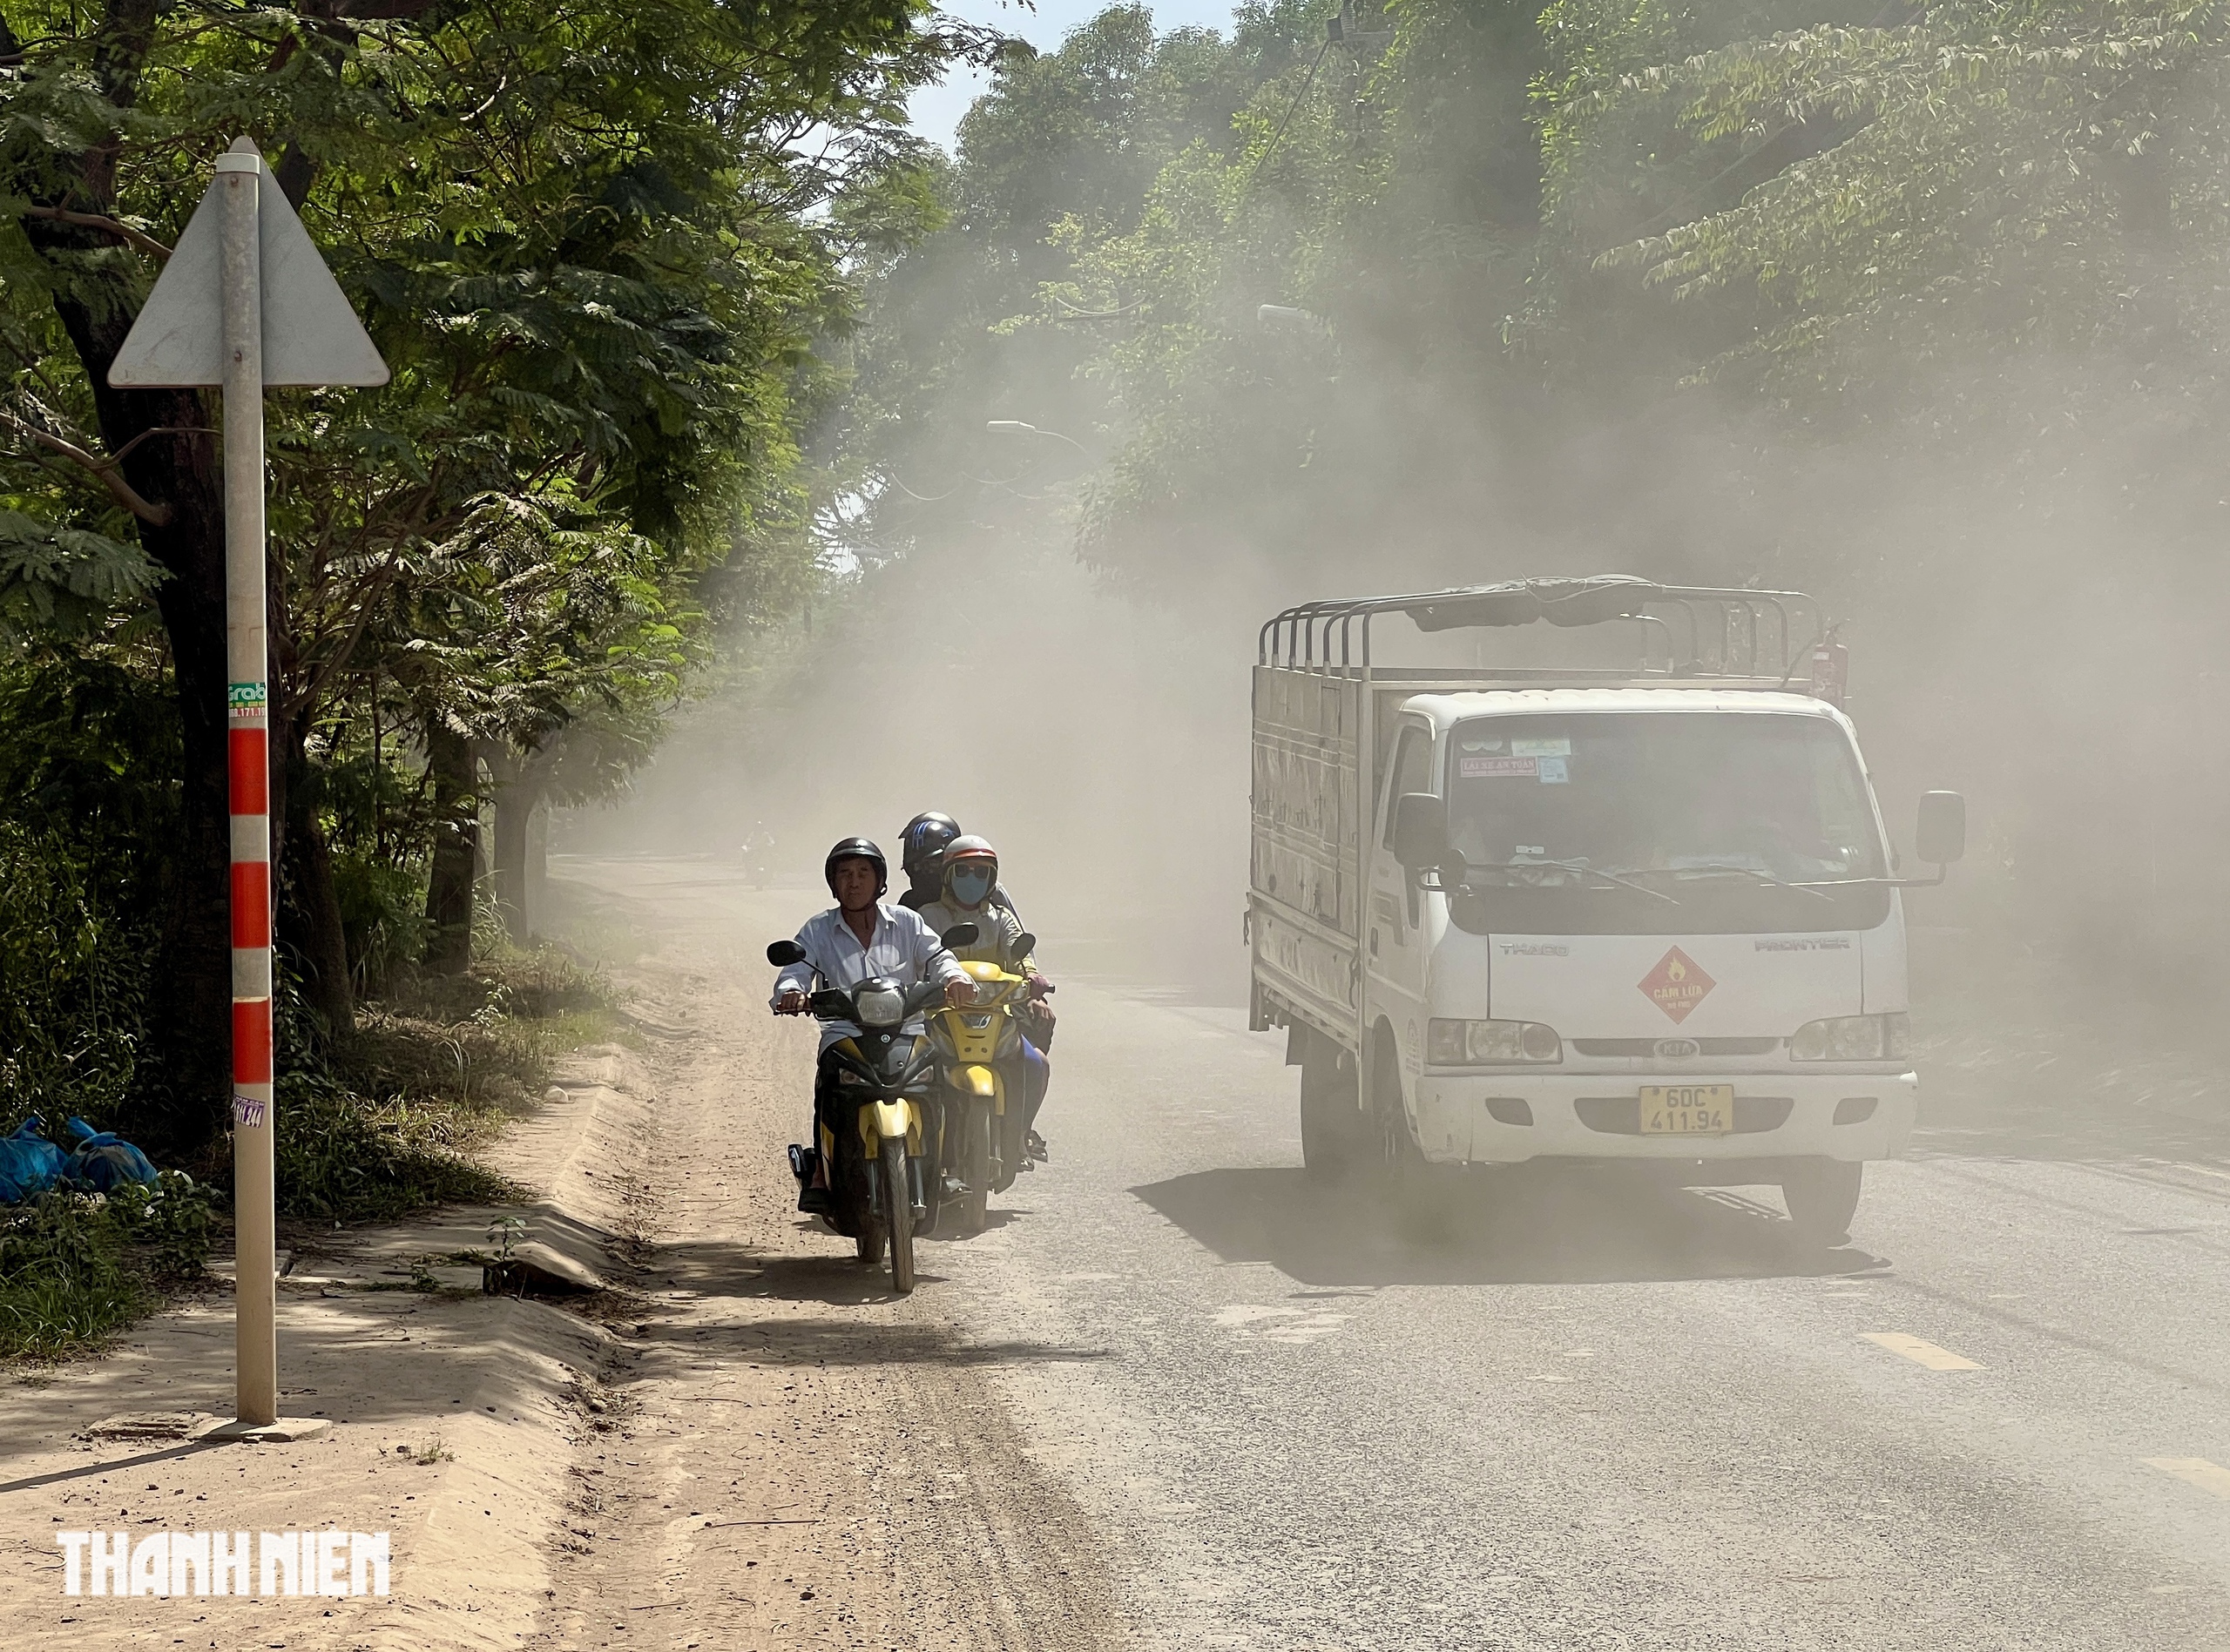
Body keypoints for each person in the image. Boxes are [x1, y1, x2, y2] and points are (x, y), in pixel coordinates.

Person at [772, 838, 970, 1210]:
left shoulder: (908, 923)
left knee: (941, 1077)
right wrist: (792, 992)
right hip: (845, 1034)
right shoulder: (817, 930)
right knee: (829, 1082)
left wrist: (955, 980)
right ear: (833, 883)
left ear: (879, 880)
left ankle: (946, 1168)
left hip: (906, 1032)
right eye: (844, 874)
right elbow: (795, 970)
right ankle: (819, 1173)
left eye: (863, 873)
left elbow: (939, 957)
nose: (854, 882)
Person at [914, 834, 1055, 1167]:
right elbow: (917, 959)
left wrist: (1032, 978)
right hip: (940, 1017)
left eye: (981, 872)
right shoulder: (927, 918)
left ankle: (1019, 1133)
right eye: (964, 871)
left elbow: (1020, 953)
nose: (972, 879)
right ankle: (919, 1146)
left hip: (995, 1016)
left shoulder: (1001, 918)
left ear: (992, 878)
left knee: (1037, 1066)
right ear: (948, 876)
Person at [896, 810, 1024, 920]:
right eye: (916, 867)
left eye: (934, 864)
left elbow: (1018, 944)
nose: (925, 874)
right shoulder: (909, 905)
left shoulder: (987, 890)